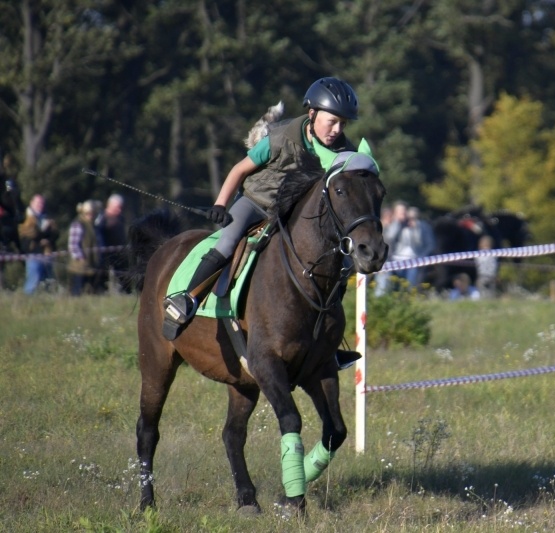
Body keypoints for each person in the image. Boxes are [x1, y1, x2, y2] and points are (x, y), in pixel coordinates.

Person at [162, 77, 365, 374]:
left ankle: (328, 344)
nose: (337, 130)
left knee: (340, 263)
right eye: (332, 121)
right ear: (312, 114)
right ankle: (186, 300)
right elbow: (240, 169)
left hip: (293, 216)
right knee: (228, 242)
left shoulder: (341, 151)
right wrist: (221, 204)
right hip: (256, 204)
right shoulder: (280, 138)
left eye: (343, 125)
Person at [383, 202, 436, 291]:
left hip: (414, 260)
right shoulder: (395, 225)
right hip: (396, 259)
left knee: (410, 284)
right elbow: (390, 237)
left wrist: (415, 228)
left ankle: (409, 296)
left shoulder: (422, 226)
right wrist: (398, 222)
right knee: (394, 285)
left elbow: (430, 245)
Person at [18, 194, 58, 294]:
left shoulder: (47, 218)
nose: (40, 205)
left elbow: (55, 234)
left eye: (42, 203)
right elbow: (30, 235)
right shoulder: (26, 218)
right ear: (31, 203)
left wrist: (48, 240)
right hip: (33, 255)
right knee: (33, 282)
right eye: (38, 203)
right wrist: (43, 234)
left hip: (47, 254)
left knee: (48, 281)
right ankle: (27, 303)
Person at [95, 193, 129, 293]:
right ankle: (100, 291)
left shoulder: (121, 218)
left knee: (123, 273)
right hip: (105, 252)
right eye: (117, 208)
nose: (119, 210)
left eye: (120, 208)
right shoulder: (101, 218)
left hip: (119, 252)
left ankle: (126, 292)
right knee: (103, 274)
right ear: (109, 205)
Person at [67, 200, 101, 296]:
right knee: (77, 293)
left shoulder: (93, 225)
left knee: (91, 293)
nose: (91, 215)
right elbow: (73, 245)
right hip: (79, 267)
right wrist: (81, 258)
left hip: (91, 266)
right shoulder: (78, 224)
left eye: (92, 213)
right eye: (88, 213)